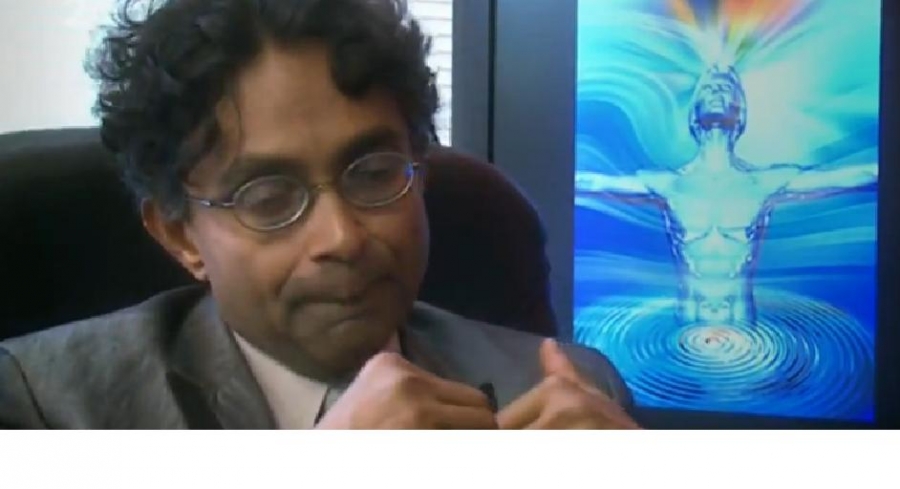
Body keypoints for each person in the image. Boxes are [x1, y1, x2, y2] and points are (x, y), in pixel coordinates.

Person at [0, 0, 636, 429]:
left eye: (374, 173)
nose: (343, 237)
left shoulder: (572, 389)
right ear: (179, 235)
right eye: (268, 198)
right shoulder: (42, 404)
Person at [577, 62, 877, 327]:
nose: (717, 93)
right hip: (686, 327)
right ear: (695, 112)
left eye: (725, 89)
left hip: (743, 328)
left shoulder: (763, 183)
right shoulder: (667, 185)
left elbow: (850, 177)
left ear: (740, 111)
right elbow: (593, 183)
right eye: (709, 89)